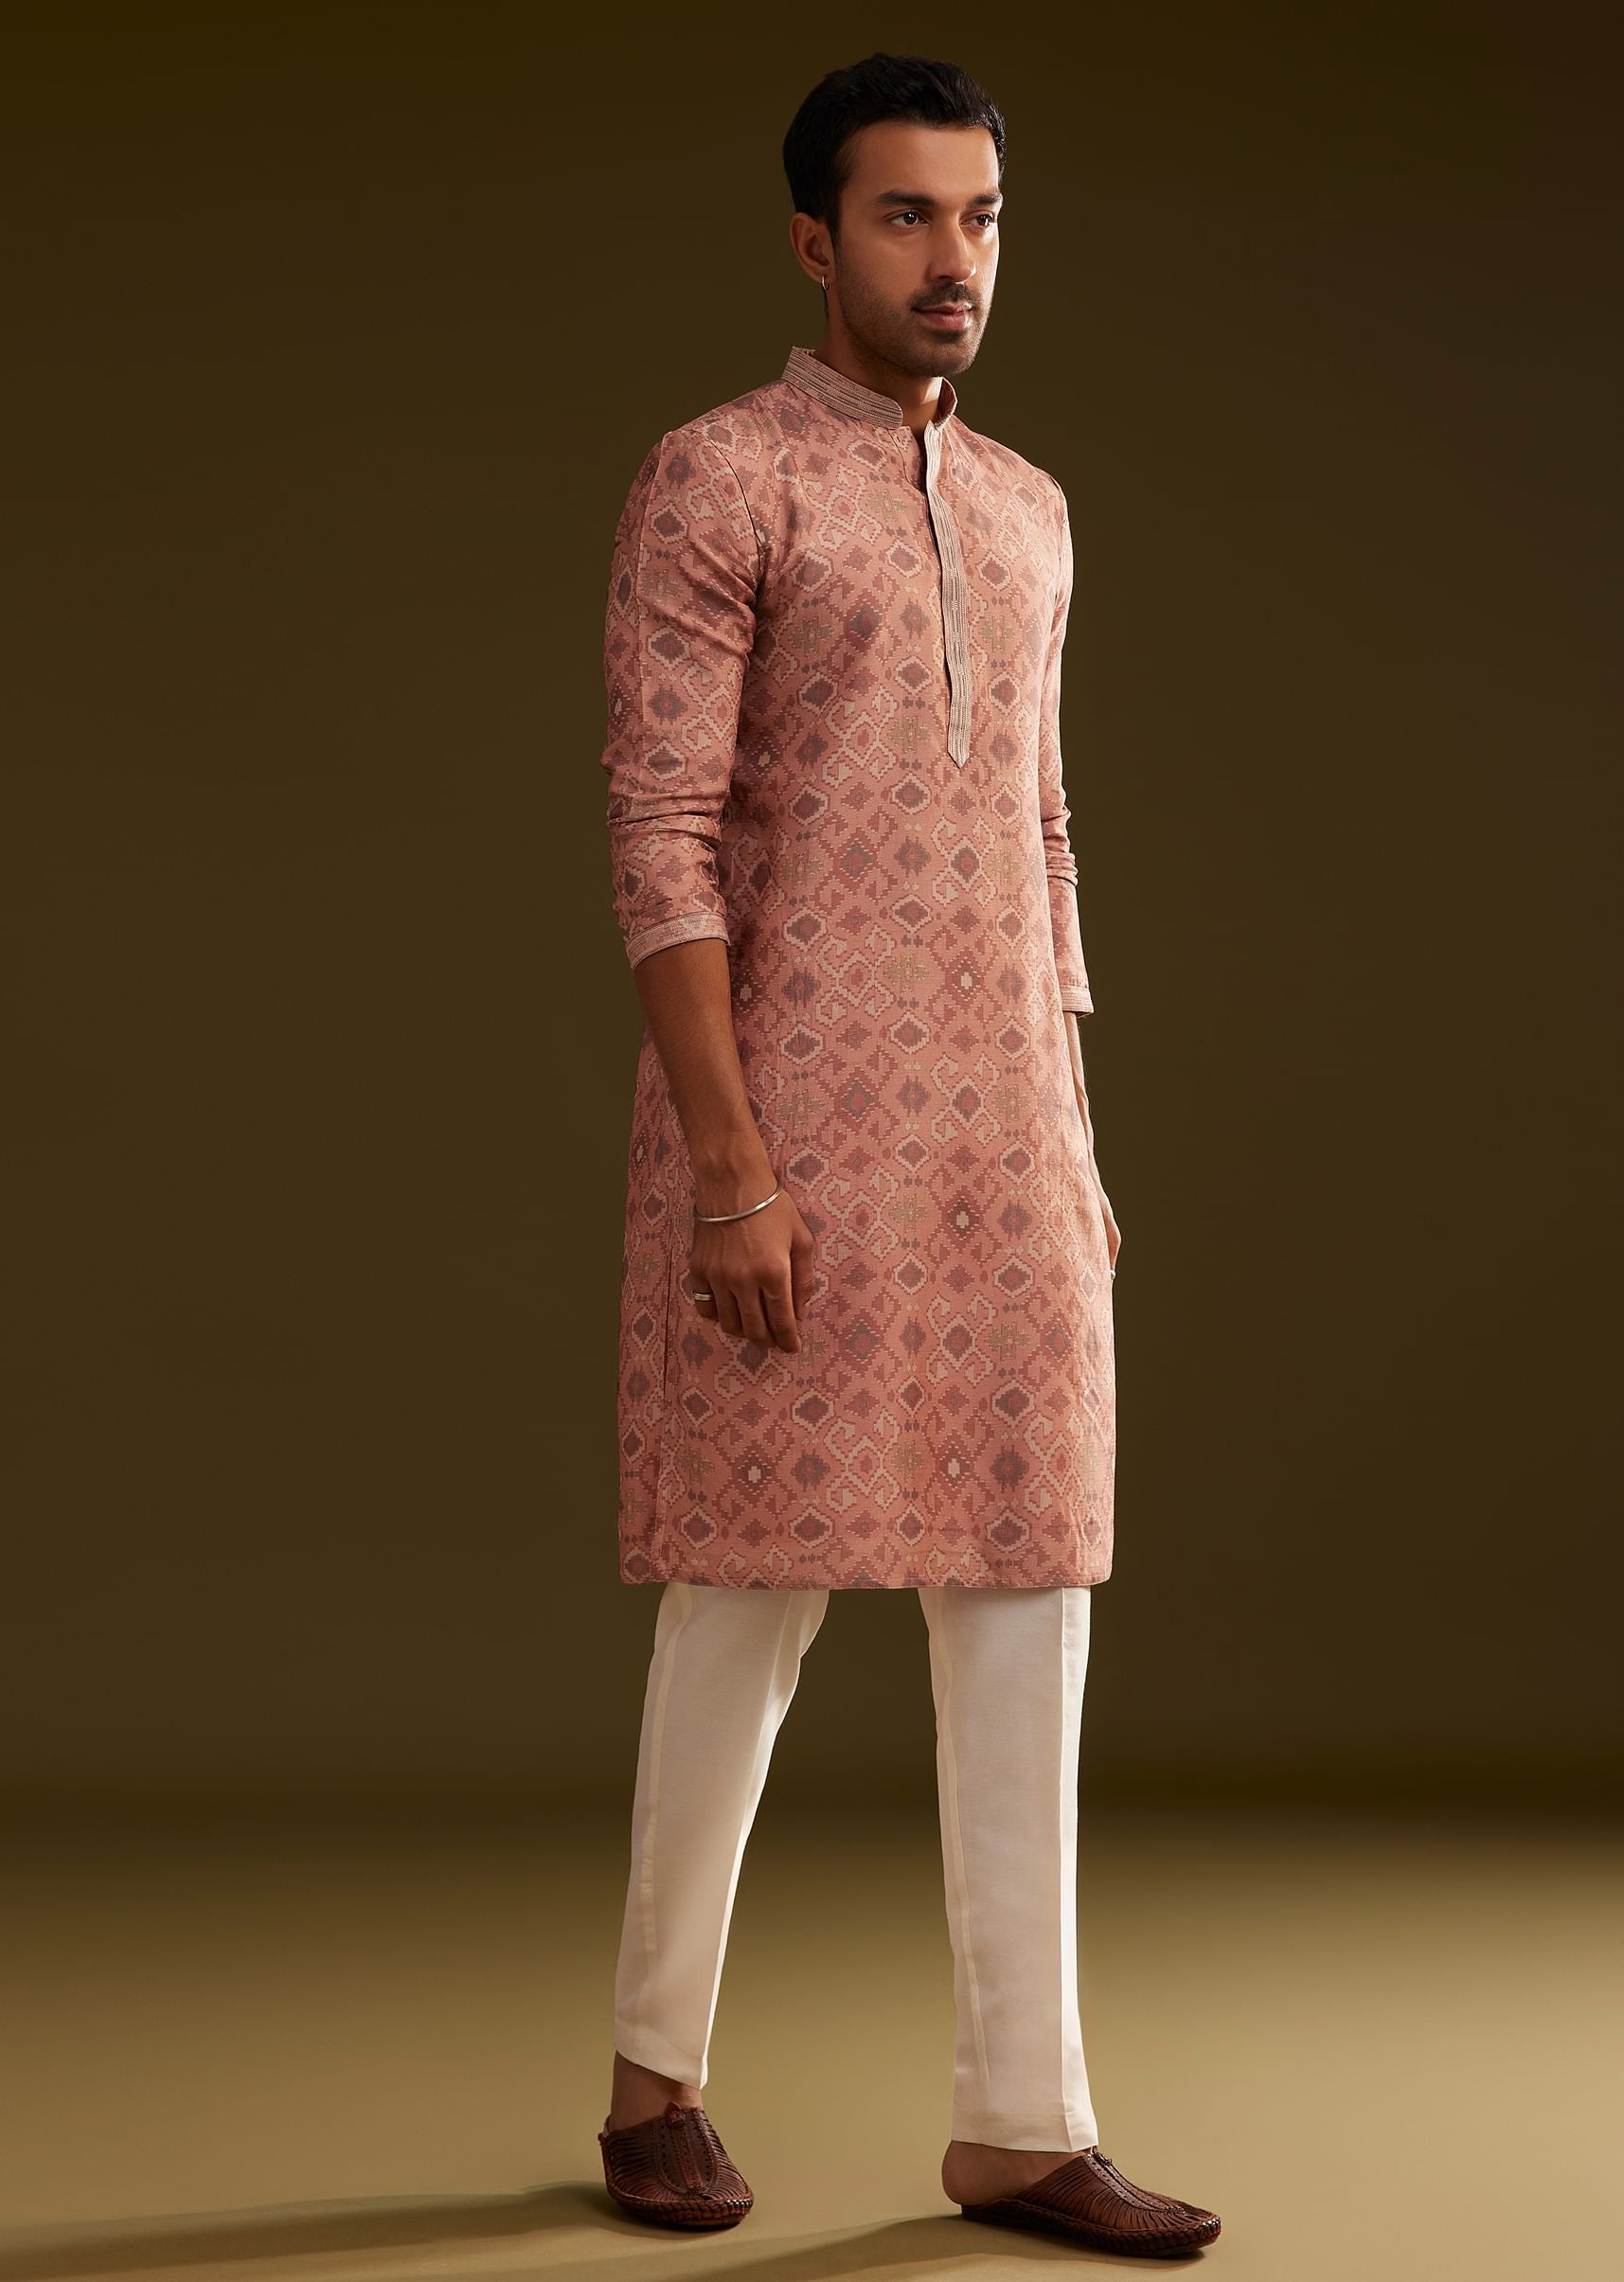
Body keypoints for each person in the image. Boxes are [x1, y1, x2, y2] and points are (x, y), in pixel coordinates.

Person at [592, 50, 1221, 2257]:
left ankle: (1022, 2118)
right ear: (813, 241)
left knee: (1030, 1596)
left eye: (982, 218)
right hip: (789, 1138)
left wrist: (1072, 1135)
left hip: (1004, 1143)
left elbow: (1041, 836)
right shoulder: (720, 478)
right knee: (741, 1599)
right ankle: (652, 2075)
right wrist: (732, 1165)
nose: (954, 260)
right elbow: (659, 839)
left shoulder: (1033, 509)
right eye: (905, 217)